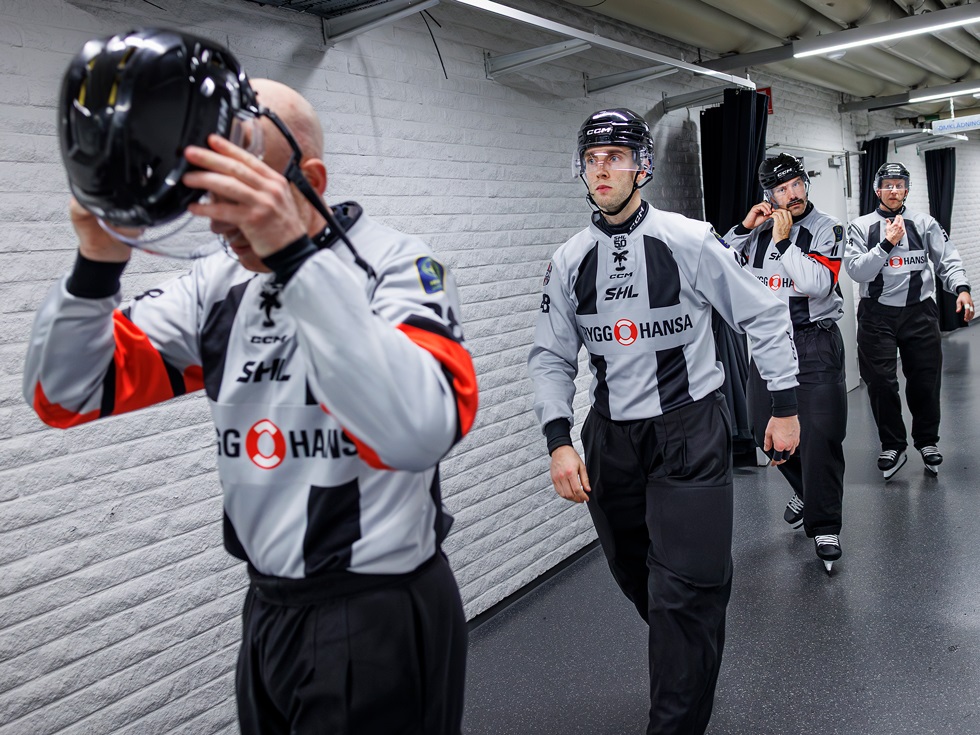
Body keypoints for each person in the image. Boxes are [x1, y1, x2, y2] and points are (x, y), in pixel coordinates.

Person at [24, 29, 477, 735]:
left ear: (312, 182)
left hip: (378, 606)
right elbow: (66, 391)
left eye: (247, 186)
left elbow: (420, 430)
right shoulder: (218, 283)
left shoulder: (400, 265)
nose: (224, 223)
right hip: (268, 606)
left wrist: (297, 258)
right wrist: (94, 267)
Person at [527, 108, 801, 735]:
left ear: (642, 166)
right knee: (637, 574)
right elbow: (550, 356)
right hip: (611, 439)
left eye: (616, 156)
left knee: (686, 589)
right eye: (593, 157)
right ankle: (690, 643)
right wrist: (557, 440)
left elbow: (762, 314)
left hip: (687, 431)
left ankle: (676, 708)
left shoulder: (689, 240)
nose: (603, 169)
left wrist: (784, 409)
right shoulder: (569, 260)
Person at [725, 154, 848, 572]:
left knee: (821, 438)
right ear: (768, 195)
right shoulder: (757, 232)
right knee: (768, 433)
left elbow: (817, 283)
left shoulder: (827, 228)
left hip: (815, 343)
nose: (792, 194)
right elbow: (719, 264)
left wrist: (783, 243)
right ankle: (807, 491)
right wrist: (745, 228)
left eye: (796, 184)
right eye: (782, 189)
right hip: (769, 347)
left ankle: (825, 524)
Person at [845, 161, 973, 479]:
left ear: (906, 189)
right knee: (880, 382)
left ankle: (927, 441)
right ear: (877, 189)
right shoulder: (861, 227)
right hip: (877, 315)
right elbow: (857, 270)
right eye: (887, 184)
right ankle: (893, 444)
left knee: (925, 380)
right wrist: (887, 243)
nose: (893, 190)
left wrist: (962, 289)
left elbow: (947, 259)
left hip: (919, 311)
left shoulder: (924, 222)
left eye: (899, 184)